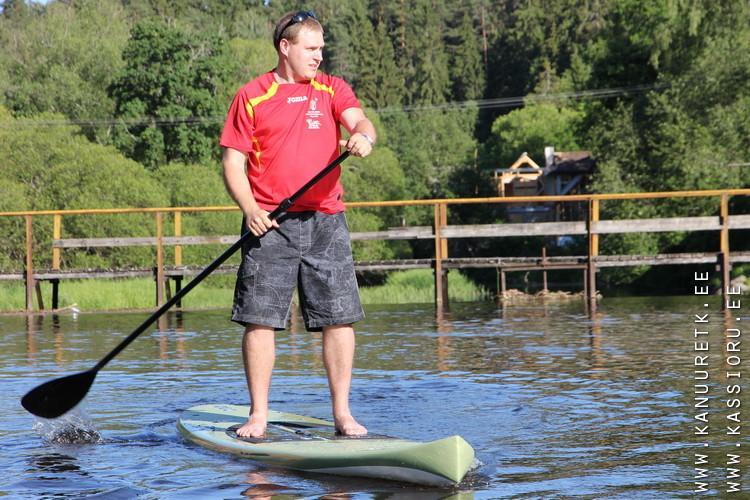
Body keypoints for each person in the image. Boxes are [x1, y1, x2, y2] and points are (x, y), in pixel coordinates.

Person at [219, 10, 376, 438]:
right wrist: (250, 209)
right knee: (260, 320)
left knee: (339, 319)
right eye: (311, 48)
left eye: (322, 48)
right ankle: (258, 416)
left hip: (327, 220)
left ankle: (343, 415)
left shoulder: (331, 89)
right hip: (270, 224)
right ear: (285, 48)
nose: (319, 57)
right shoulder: (250, 96)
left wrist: (363, 136)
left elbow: (360, 121)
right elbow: (233, 161)